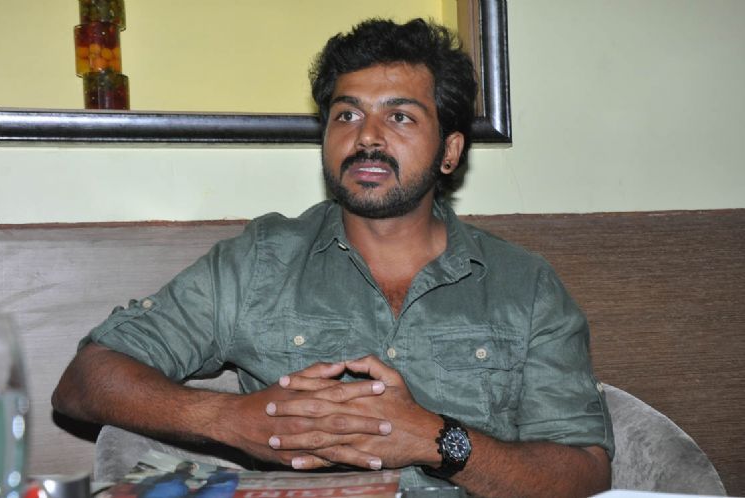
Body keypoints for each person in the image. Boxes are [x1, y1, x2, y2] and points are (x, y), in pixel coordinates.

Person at [52, 18, 614, 497]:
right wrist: (233, 419)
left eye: (400, 117)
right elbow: (85, 380)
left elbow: (584, 472)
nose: (366, 137)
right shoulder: (262, 262)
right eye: (346, 115)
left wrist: (436, 440)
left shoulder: (524, 285)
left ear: (449, 151)